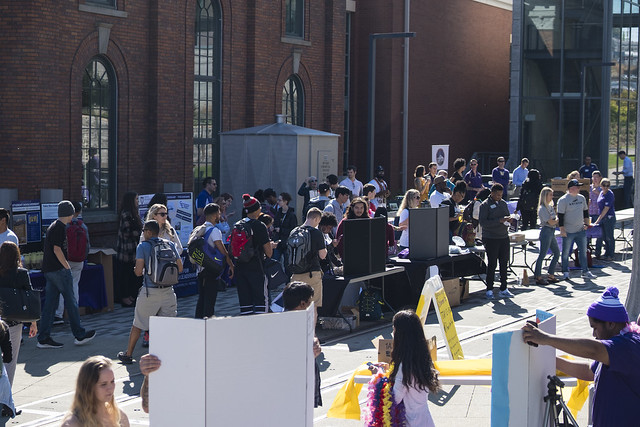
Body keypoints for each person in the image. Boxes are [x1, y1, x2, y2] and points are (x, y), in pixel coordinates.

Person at [521, 286, 640, 427]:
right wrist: (547, 358)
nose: (594, 334)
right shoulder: (616, 347)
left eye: (595, 328)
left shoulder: (627, 346)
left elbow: (593, 350)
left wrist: (545, 338)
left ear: (611, 324)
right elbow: (588, 372)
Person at [117, 220, 183, 364]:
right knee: (168, 325)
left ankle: (128, 354)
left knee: (138, 323)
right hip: (169, 292)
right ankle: (168, 355)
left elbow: (139, 271)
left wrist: (136, 270)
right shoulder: (169, 244)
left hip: (150, 292)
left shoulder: (143, 246)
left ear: (147, 232)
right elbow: (180, 268)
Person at [37, 201, 96, 349]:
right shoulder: (60, 227)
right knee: (71, 301)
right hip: (58, 270)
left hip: (50, 270)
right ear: (69, 213)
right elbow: (57, 250)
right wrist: (67, 267)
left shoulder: (54, 226)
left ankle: (43, 338)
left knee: (50, 304)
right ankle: (79, 334)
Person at [383, 310, 440, 427]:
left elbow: (394, 398)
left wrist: (378, 376)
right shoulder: (422, 358)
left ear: (401, 334)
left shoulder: (405, 366)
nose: (393, 333)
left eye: (394, 329)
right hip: (425, 419)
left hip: (409, 421)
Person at [0, 242, 38, 386]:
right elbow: (30, 298)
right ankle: (7, 402)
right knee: (10, 361)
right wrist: (33, 322)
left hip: (0, 320)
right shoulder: (21, 273)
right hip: (14, 322)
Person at [232, 194, 277, 315]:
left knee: (245, 305)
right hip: (257, 268)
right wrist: (271, 246)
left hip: (240, 268)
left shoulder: (238, 224)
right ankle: (261, 330)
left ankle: (247, 331)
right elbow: (268, 252)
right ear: (257, 209)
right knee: (261, 302)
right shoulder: (259, 225)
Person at [282, 282, 324, 408]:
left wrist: (315, 341)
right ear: (303, 304)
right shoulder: (288, 325)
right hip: (297, 384)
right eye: (310, 302)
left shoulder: (301, 320)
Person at [61, 356, 130, 427]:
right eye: (103, 384)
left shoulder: (119, 417)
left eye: (112, 381)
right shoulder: (72, 424)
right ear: (88, 387)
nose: (110, 388)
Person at [195, 203, 234, 319]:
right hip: (211, 269)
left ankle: (198, 322)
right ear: (215, 215)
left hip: (200, 269)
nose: (220, 215)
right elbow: (223, 251)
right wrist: (231, 265)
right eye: (219, 213)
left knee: (201, 299)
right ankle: (208, 322)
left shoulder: (199, 229)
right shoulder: (214, 231)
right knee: (210, 299)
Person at [288, 208, 327, 321]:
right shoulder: (316, 233)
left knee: (296, 306)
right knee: (312, 306)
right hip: (312, 274)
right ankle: (311, 335)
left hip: (296, 274)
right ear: (316, 219)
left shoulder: (294, 231)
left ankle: (297, 331)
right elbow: (322, 255)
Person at [55, 201, 89, 324]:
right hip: (79, 260)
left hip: (66, 259)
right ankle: (74, 314)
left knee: (62, 287)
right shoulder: (83, 226)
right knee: (75, 286)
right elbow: (87, 245)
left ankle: (58, 314)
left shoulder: (65, 225)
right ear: (78, 212)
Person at [479, 184, 514, 299]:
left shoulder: (503, 203)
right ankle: (489, 289)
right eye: (497, 194)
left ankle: (504, 288)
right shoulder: (485, 205)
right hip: (491, 238)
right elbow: (483, 222)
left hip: (503, 236)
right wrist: (498, 221)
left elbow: (507, 215)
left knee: (504, 263)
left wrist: (509, 220)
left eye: (501, 194)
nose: (499, 196)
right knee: (492, 263)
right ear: (492, 193)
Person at [557, 179, 596, 280]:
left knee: (583, 251)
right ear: (570, 188)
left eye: (579, 187)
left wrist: (587, 224)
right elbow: (560, 216)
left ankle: (585, 270)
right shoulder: (563, 200)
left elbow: (585, 212)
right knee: (565, 252)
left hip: (580, 230)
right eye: (576, 187)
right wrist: (562, 230)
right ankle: (565, 271)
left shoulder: (582, 198)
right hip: (568, 230)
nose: (579, 188)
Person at [116, 192, 143, 308]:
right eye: (136, 199)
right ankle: (125, 297)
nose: (138, 201)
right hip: (127, 250)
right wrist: (141, 232)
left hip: (135, 248)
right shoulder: (126, 214)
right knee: (126, 274)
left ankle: (132, 296)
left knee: (134, 274)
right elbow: (127, 232)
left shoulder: (134, 213)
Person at [534, 187, 560, 285]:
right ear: (545, 196)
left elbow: (554, 218)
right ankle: (538, 276)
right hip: (546, 231)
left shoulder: (550, 206)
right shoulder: (543, 208)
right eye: (550, 195)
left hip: (551, 230)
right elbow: (551, 221)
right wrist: (558, 220)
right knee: (542, 254)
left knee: (557, 253)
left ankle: (551, 274)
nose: (552, 197)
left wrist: (556, 220)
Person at [593, 178, 616, 261]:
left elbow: (606, 208)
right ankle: (606, 253)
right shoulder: (601, 193)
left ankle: (611, 254)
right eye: (604, 185)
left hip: (608, 217)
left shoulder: (610, 194)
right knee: (604, 236)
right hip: (603, 217)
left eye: (607, 185)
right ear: (601, 185)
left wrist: (598, 220)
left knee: (609, 236)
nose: (606, 187)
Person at [273, 192, 297, 261]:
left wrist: (281, 230)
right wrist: (274, 228)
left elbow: (293, 229)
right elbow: (276, 223)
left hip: (287, 242)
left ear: (285, 202)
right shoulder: (278, 213)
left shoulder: (291, 215)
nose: (278, 202)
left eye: (280, 200)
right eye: (278, 200)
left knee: (287, 262)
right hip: (278, 240)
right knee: (275, 260)